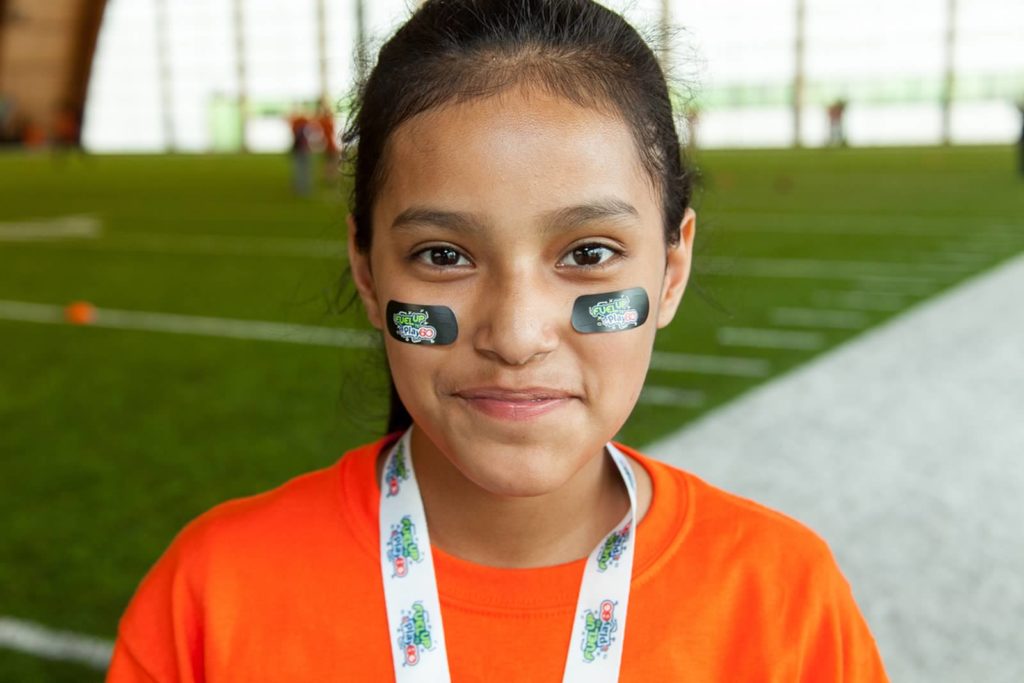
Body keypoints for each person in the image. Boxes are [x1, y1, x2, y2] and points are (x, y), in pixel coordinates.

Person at [106, 1, 889, 681]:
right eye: (443, 256)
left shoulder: (785, 599)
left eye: (588, 254)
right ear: (369, 271)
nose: (516, 336)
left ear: (673, 268)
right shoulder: (214, 593)